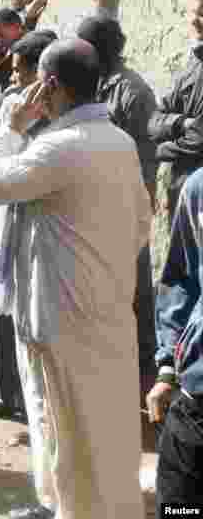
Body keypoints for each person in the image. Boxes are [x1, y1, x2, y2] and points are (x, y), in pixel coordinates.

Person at [0, 38, 149, 519]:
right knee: (101, 428)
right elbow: (140, 225)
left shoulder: (58, 147)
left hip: (60, 314)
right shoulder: (120, 143)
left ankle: (69, 511)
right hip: (105, 307)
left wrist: (9, 129)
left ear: (48, 86)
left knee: (64, 425)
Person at [76, 15, 160, 444]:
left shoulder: (131, 91)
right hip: (95, 216)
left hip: (125, 216)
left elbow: (144, 160)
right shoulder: (97, 84)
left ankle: (142, 403)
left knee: (133, 306)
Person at [0, 30, 56, 422]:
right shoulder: (15, 109)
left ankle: (29, 401)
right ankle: (7, 394)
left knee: (28, 316)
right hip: (8, 218)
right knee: (2, 310)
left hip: (37, 232)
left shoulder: (55, 120)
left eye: (22, 71)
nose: (14, 77)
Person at [150, 167, 203, 515]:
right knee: (178, 509)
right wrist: (168, 366)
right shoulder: (198, 187)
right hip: (196, 399)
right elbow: (182, 280)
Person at [149, 0, 203, 288]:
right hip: (180, 187)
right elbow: (153, 122)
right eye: (193, 13)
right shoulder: (192, 65)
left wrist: (162, 148)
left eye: (200, 15)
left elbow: (198, 142)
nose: (194, 21)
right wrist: (182, 122)